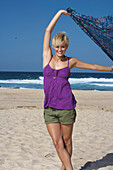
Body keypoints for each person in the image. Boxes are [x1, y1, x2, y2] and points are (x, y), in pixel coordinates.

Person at [43, 10, 113, 170]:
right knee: (56, 142)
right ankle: (70, 168)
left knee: (67, 142)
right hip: (49, 109)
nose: (60, 49)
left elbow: (92, 66)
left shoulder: (71, 61)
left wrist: (110, 69)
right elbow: (48, 30)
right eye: (57, 46)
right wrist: (60, 13)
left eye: (63, 47)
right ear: (53, 46)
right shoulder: (47, 57)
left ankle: (65, 168)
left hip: (67, 107)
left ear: (66, 47)